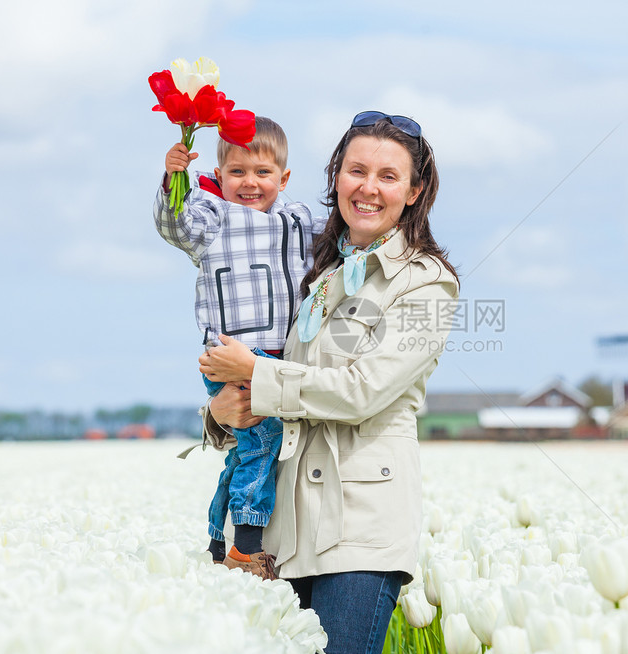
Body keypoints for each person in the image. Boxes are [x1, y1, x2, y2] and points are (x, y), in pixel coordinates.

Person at [198, 111, 459, 654]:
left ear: (414, 192)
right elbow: (273, 380)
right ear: (335, 177)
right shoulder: (312, 271)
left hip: (360, 534)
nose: (368, 187)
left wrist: (254, 372)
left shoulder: (427, 285)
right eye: (355, 169)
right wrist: (222, 416)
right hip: (282, 535)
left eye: (388, 176)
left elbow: (362, 391)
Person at [154, 116, 325, 578]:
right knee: (263, 443)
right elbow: (175, 226)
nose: (250, 183)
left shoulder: (299, 221)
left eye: (262, 172)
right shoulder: (211, 217)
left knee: (246, 450)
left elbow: (345, 232)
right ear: (221, 173)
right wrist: (175, 178)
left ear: (283, 178)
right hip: (231, 353)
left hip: (278, 354)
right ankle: (246, 547)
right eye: (237, 172)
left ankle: (216, 537)